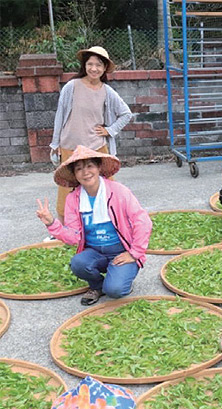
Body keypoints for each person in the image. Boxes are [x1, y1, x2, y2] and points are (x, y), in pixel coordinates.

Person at [35, 145, 152, 306]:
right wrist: (52, 223)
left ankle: (119, 280)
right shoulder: (74, 199)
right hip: (95, 251)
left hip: (120, 250)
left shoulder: (118, 191)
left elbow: (142, 221)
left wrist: (134, 253)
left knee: (115, 291)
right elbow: (73, 237)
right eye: (79, 169)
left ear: (98, 168)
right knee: (78, 263)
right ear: (75, 175)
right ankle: (97, 286)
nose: (85, 172)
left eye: (90, 166)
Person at [50, 46, 132, 226]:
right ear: (84, 66)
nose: (94, 68)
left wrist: (109, 130)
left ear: (104, 69)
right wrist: (55, 143)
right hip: (70, 146)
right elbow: (60, 114)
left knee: (106, 185)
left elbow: (126, 114)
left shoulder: (107, 92)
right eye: (90, 64)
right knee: (68, 187)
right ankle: (63, 227)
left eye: (99, 65)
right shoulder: (72, 86)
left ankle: (114, 220)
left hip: (95, 147)